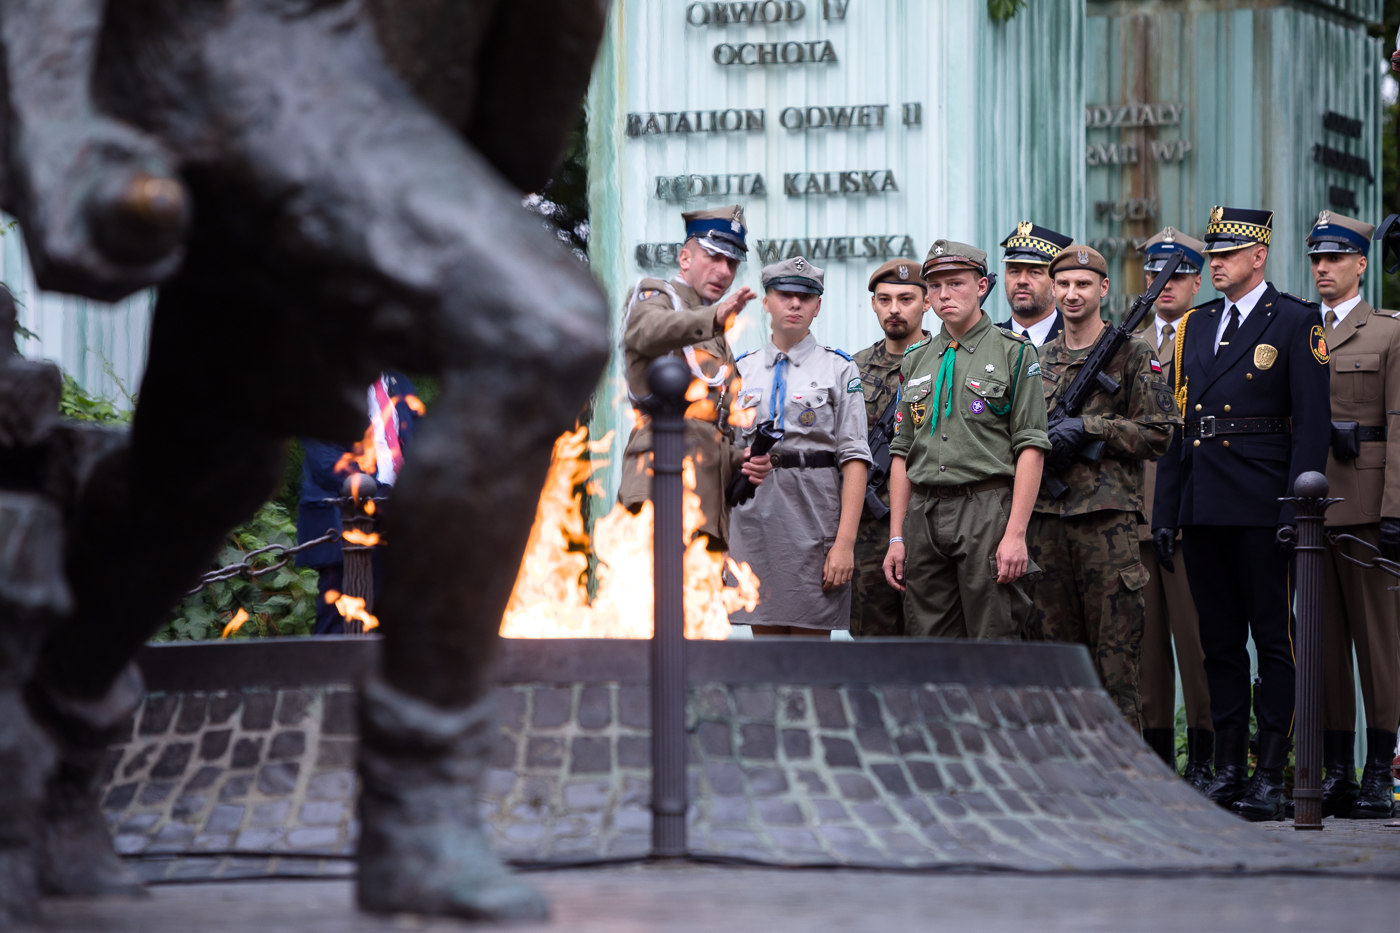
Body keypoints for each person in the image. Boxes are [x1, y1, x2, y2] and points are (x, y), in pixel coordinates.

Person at [1153, 206, 1331, 821]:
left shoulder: (1296, 321)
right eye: (1213, 254)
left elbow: (1310, 425)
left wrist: (1298, 509)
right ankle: (1228, 768)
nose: (1217, 263)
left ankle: (1273, 773)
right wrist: (1166, 512)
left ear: (1259, 256)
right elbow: (1179, 427)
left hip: (1263, 504)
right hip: (1204, 504)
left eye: (1228, 254)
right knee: (1219, 643)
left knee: (1275, 642)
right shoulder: (1194, 326)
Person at [1026, 246, 1178, 726]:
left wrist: (1091, 428)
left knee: (1116, 668)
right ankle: (1063, 766)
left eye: (1083, 284)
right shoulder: (1035, 359)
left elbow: (1160, 433)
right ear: (1053, 289)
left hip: (1107, 525)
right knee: (1054, 665)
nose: (1072, 294)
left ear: (1103, 289)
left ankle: (1123, 768)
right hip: (1045, 524)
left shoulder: (1133, 353)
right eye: (1064, 285)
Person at [883, 240, 1050, 638]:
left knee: (993, 639)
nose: (944, 295)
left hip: (985, 509)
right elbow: (902, 451)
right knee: (929, 645)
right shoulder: (916, 357)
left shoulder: (1013, 352)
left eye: (956, 283)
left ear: (981, 286)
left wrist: (1015, 534)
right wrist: (896, 536)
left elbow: (1031, 446)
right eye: (935, 286)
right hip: (923, 512)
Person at [1308, 210, 1400, 819]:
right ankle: (1338, 771)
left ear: (1360, 264)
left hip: (1367, 510)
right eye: (1316, 259)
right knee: (1323, 648)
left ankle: (1377, 773)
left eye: (1335, 258)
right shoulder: (1297, 329)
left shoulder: (1387, 332)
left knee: (1379, 645)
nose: (1323, 268)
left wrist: (1395, 511)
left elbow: (1398, 425)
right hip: (1311, 512)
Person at [729, 257, 871, 636]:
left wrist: (845, 544)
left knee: (811, 652)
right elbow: (722, 450)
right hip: (755, 520)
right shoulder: (741, 370)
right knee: (767, 648)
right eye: (784, 295)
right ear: (766, 302)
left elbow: (855, 458)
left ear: (817, 306)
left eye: (805, 297)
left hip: (814, 517)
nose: (795, 304)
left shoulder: (839, 369)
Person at [618, 204, 772, 549]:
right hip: (659, 487)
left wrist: (742, 461)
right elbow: (647, 331)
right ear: (684, 258)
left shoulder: (717, 335)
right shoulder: (657, 297)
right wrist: (713, 317)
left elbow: (713, 428)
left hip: (708, 505)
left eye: (731, 263)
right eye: (713, 257)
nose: (724, 271)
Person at [1133, 228, 1213, 788]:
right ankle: (1155, 764)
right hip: (1135, 515)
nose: (1165, 285)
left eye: (1177, 275)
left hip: (1190, 514)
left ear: (1196, 281)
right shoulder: (1127, 343)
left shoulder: (1211, 336)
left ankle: (1208, 761)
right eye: (1155, 275)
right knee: (1144, 653)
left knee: (1200, 646)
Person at [297, 371, 422, 635]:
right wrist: (380, 496)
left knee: (397, 624)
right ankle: (333, 665)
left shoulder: (400, 383)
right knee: (340, 624)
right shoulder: (325, 385)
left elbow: (423, 442)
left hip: (401, 522)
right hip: (344, 521)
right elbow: (327, 464)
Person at [849, 259, 932, 637]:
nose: (894, 309)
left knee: (933, 638)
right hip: (868, 530)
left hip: (930, 521)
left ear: (927, 302)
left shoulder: (946, 359)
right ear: (873, 304)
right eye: (884, 300)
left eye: (906, 299)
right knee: (873, 641)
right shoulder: (854, 368)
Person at [997, 221, 1073, 347]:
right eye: (1014, 271)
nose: (1022, 280)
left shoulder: (1076, 338)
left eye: (1034, 272)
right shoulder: (988, 341)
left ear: (1056, 282)